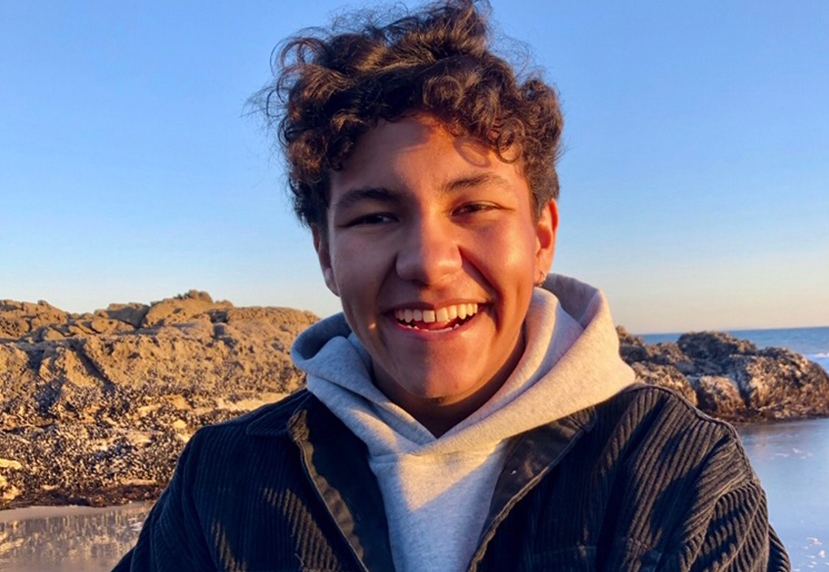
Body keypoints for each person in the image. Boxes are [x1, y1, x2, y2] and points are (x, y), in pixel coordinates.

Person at [114, 1, 790, 571]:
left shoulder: (678, 473)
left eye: (473, 208)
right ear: (325, 253)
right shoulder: (224, 480)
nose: (429, 263)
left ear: (541, 237)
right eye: (376, 216)